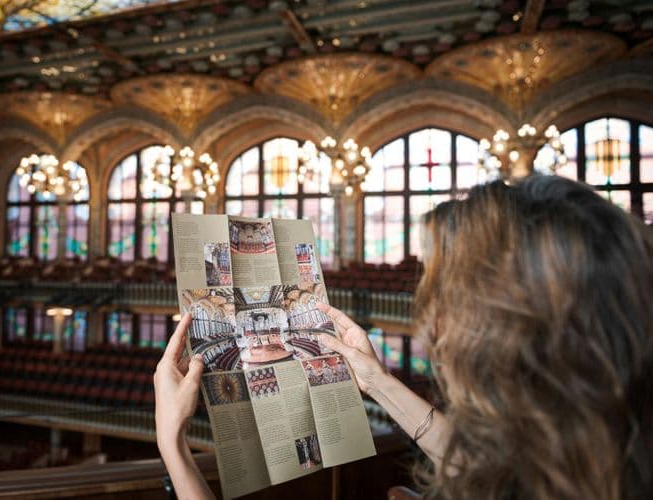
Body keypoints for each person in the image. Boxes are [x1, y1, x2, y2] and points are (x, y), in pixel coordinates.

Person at [155, 176, 653, 500]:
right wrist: (376, 380)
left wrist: (173, 446)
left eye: (443, 294)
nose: (431, 322)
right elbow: (486, 467)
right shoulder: (598, 448)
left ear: (506, 330)